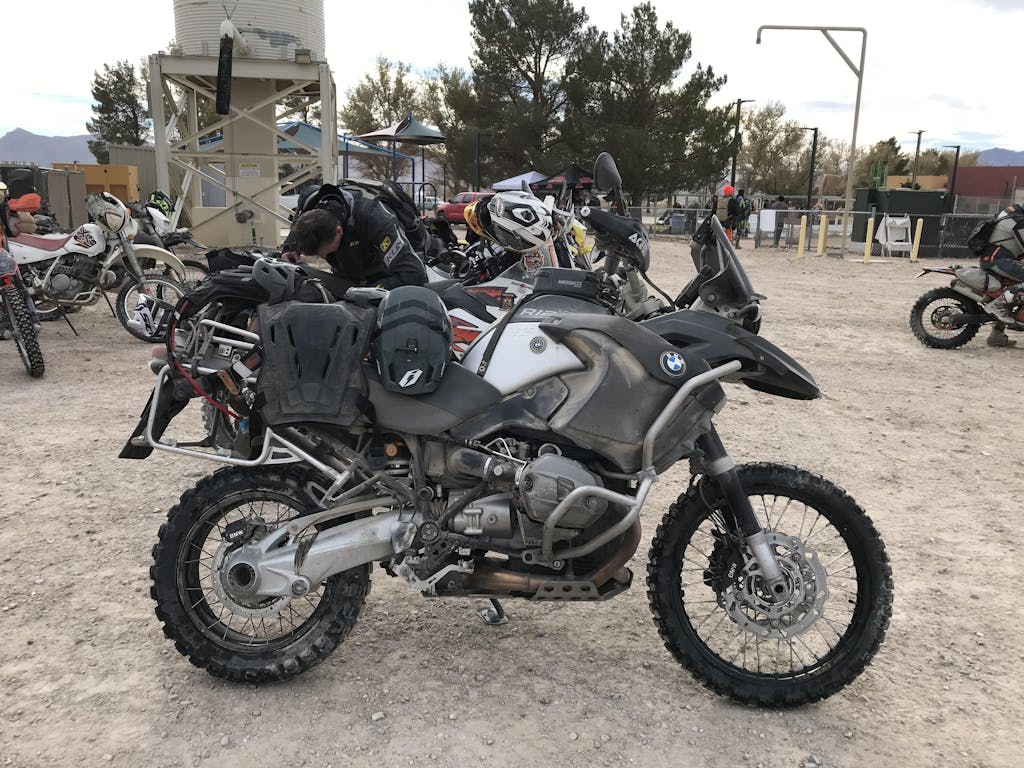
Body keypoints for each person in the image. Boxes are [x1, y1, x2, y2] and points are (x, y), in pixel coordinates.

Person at [281, 183, 426, 293]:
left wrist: (370, 292)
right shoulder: (311, 203)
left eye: (327, 251)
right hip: (345, 276)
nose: (323, 257)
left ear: (339, 231)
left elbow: (414, 274)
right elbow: (300, 221)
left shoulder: (377, 220)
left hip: (382, 277)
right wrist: (290, 247)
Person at [977, 203, 1024, 346]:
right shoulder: (1017, 221)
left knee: (1007, 291)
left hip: (998, 259)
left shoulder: (1013, 215)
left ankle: (996, 335)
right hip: (997, 260)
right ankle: (998, 305)